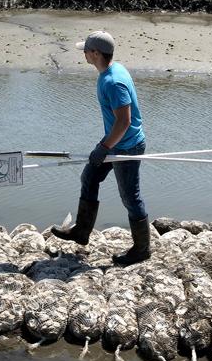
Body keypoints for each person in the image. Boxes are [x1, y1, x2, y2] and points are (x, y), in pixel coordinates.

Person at [51, 31, 150, 265]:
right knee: (90, 176)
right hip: (114, 142)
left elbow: (124, 122)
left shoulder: (113, 81)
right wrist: (105, 146)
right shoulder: (111, 71)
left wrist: (105, 147)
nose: (83, 53)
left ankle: (142, 249)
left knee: (130, 196)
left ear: (95, 53)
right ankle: (82, 232)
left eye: (85, 50)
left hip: (127, 147)